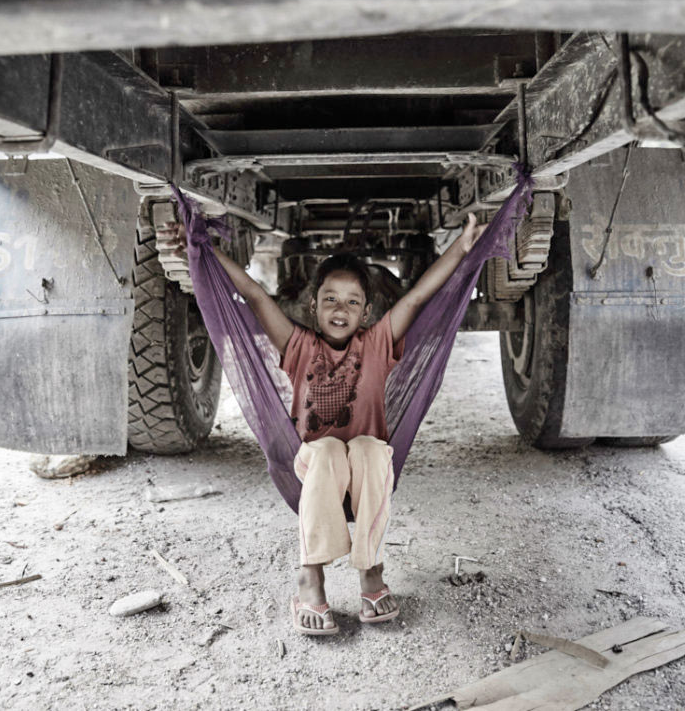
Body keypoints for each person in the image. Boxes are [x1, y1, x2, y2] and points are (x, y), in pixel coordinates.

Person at [163, 213, 486, 635]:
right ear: (313, 305)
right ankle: (310, 576)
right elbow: (256, 296)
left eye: (353, 301)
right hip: (315, 471)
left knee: (371, 447)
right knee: (329, 448)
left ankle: (370, 570)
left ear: (367, 313)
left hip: (366, 474)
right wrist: (207, 249)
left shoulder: (377, 345)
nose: (341, 308)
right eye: (331, 298)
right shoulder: (298, 347)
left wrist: (463, 248)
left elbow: (416, 299)